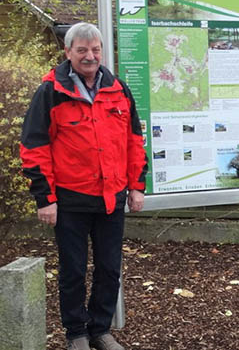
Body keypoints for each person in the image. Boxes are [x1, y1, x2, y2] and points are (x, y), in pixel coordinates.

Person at [20, 23, 148, 350]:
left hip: (111, 199)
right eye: (82, 50)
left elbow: (134, 141)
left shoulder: (118, 89)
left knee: (109, 269)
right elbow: (34, 147)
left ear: (102, 52)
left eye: (95, 50)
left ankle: (100, 330)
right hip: (70, 200)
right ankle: (76, 333)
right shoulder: (50, 91)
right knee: (73, 271)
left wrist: (137, 186)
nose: (90, 57)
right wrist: (44, 198)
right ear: (68, 52)